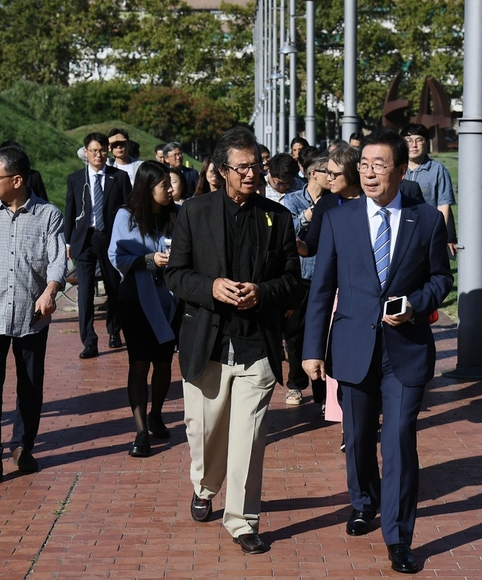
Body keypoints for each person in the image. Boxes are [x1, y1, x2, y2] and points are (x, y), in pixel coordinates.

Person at [302, 128, 453, 574]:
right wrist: (313, 349)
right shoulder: (338, 218)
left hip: (405, 351)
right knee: (360, 438)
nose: (368, 173)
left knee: (401, 440)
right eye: (364, 164)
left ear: (401, 170)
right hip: (352, 346)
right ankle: (364, 502)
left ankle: (400, 536)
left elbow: (442, 280)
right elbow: (322, 288)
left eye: (379, 165)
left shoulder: (426, 220)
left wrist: (416, 305)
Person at [164, 126, 300, 555]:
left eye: (256, 167)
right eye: (243, 168)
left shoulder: (277, 217)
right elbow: (175, 274)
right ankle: (205, 485)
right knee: (204, 431)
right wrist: (211, 288)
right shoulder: (194, 212)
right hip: (206, 343)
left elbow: (293, 281)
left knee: (250, 437)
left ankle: (242, 520)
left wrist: (262, 293)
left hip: (257, 344)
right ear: (221, 171)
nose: (252, 175)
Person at [0, 145, 66, 483]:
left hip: (31, 317)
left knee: (30, 386)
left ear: (16, 180)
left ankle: (22, 446)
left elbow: (58, 260)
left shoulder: (48, 215)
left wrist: (50, 291)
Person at [109, 162, 180, 458]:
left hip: (169, 302)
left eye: (170, 185)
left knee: (163, 364)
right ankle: (140, 432)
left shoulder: (176, 215)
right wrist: (151, 260)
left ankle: (156, 413)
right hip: (136, 300)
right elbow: (117, 255)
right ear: (148, 188)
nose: (170, 190)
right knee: (139, 363)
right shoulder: (126, 216)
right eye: (164, 185)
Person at [65, 132, 132, 358]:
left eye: (103, 150)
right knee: (84, 292)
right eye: (94, 151)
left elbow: (128, 210)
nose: (99, 155)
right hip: (85, 239)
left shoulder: (119, 178)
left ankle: (114, 330)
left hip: (110, 239)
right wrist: (67, 241)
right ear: (86, 152)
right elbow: (70, 211)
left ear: (108, 152)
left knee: (113, 286)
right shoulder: (76, 178)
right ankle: (89, 340)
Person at [281, 150, 330, 409]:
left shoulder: (334, 201)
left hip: (324, 278)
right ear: (314, 174)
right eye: (328, 172)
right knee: (296, 335)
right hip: (298, 278)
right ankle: (296, 384)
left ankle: (322, 394)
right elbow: (287, 233)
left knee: (322, 335)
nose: (332, 177)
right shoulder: (291, 200)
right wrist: (308, 215)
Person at [400, 123, 457, 255]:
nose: (413, 145)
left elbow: (443, 205)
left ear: (426, 143)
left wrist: (439, 234)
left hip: (427, 231)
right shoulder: (395, 169)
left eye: (419, 140)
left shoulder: (437, 170)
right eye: (408, 141)